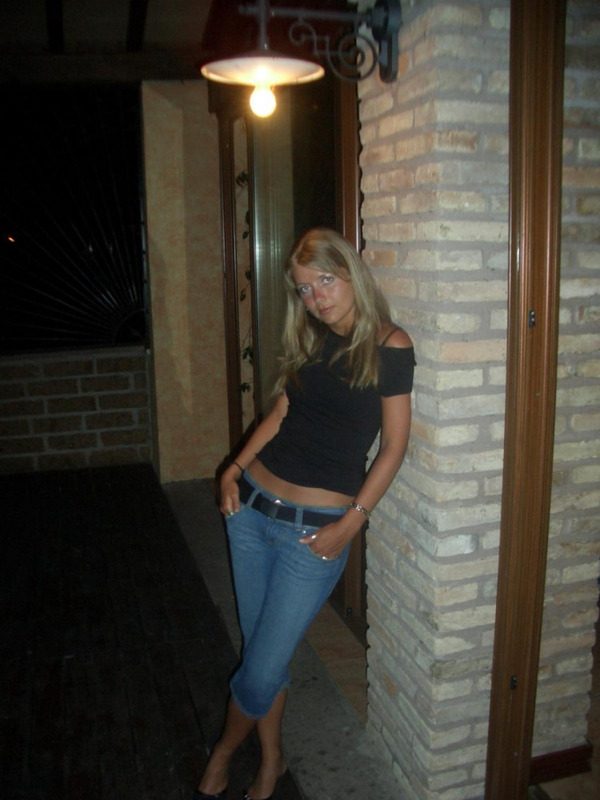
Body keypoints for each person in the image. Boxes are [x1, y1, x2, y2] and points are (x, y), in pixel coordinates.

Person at [194, 227, 415, 800]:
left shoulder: (390, 345)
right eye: (304, 289)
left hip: (313, 534)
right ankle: (272, 760)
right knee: (263, 653)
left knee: (261, 667)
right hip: (250, 513)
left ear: (350, 274)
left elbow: (393, 447)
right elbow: (280, 415)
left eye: (325, 281)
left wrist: (352, 521)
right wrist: (233, 469)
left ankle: (224, 751)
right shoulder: (313, 338)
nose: (317, 298)